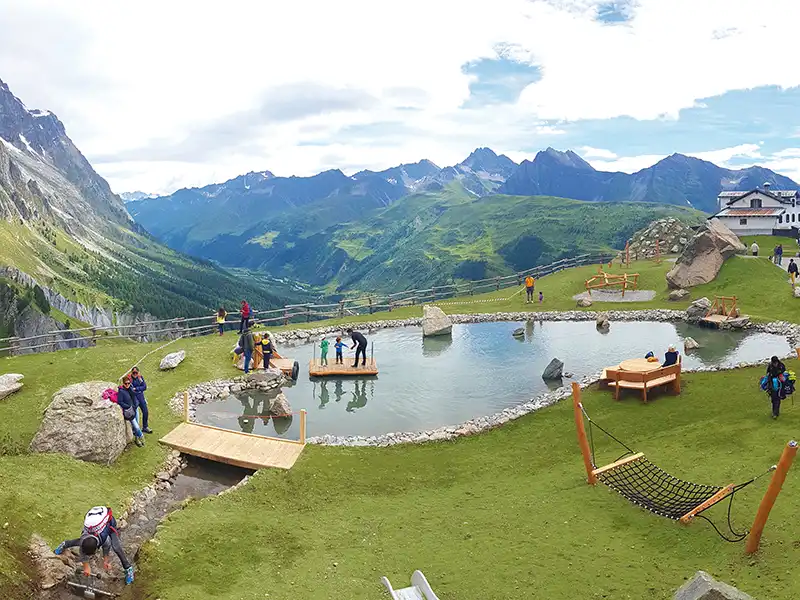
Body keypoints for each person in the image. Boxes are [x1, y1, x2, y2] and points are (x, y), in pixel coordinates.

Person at [54, 506, 135, 585]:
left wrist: (105, 561)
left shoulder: (103, 537)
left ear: (97, 547)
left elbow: (106, 546)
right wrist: (86, 566)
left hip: (109, 523)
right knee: (77, 542)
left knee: (116, 547)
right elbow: (82, 551)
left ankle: (128, 569)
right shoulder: (83, 539)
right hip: (94, 524)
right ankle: (64, 544)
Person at [117, 376, 144, 446]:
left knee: (137, 424)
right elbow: (120, 402)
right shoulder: (121, 391)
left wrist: (136, 403)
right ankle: (141, 436)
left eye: (128, 383)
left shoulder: (130, 388)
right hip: (129, 411)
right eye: (126, 383)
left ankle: (137, 439)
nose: (127, 385)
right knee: (136, 426)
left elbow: (135, 396)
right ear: (123, 383)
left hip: (135, 409)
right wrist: (128, 406)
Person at [129, 367, 152, 434]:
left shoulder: (140, 378)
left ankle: (145, 427)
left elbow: (144, 387)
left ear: (138, 372)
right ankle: (134, 429)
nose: (135, 374)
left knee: (145, 412)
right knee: (135, 414)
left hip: (141, 397)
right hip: (134, 398)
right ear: (131, 373)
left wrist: (136, 389)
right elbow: (131, 389)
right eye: (134, 373)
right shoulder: (130, 379)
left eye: (136, 372)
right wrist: (138, 389)